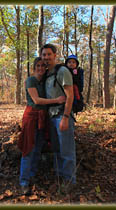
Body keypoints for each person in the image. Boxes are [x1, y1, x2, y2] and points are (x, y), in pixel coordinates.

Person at [17, 57, 66, 195]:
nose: (40, 68)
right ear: (34, 67)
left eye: (43, 66)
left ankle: (32, 175)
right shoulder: (31, 80)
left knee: (38, 148)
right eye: (38, 65)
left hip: (42, 117)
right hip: (31, 117)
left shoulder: (44, 81)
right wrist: (57, 100)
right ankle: (24, 182)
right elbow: (37, 100)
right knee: (28, 149)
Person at [40, 44, 76, 191]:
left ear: (55, 55)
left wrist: (66, 117)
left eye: (49, 54)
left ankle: (70, 181)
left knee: (67, 150)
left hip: (62, 115)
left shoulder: (62, 71)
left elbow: (70, 96)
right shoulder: (47, 73)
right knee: (56, 149)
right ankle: (59, 177)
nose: (46, 57)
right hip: (51, 116)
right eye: (44, 55)